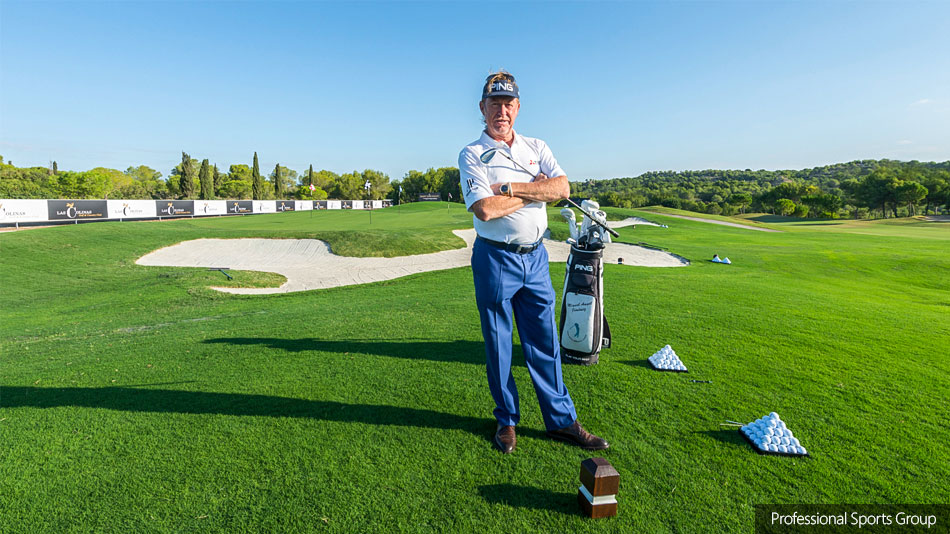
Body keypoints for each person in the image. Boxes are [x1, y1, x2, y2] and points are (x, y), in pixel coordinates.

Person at [458, 71, 608, 454]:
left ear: (518, 107)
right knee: (499, 345)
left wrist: (511, 188)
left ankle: (561, 421)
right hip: (495, 258)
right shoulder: (472, 154)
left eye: (508, 103)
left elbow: (562, 188)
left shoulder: (536, 146)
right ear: (482, 108)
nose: (502, 111)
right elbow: (486, 210)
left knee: (544, 343)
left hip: (536, 258)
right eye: (495, 103)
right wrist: (534, 191)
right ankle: (506, 420)